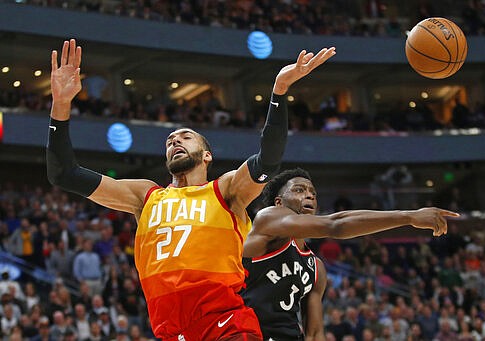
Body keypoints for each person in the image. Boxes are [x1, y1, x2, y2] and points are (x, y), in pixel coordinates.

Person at [46, 39, 336, 340]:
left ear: (206, 154)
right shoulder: (145, 197)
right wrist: (61, 105)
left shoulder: (225, 190)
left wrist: (278, 92)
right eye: (170, 140)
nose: (175, 141)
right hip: (172, 332)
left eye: (185, 137)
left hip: (224, 324)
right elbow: (64, 174)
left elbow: (268, 161)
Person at [240, 168, 458, 341]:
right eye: (299, 189)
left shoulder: (316, 267)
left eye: (313, 193)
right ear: (279, 202)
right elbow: (335, 224)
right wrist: (408, 217)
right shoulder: (266, 220)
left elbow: (314, 334)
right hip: (242, 333)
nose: (309, 195)